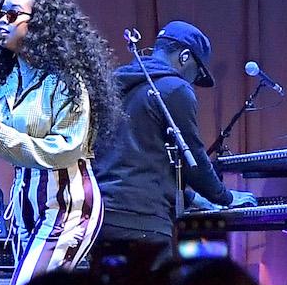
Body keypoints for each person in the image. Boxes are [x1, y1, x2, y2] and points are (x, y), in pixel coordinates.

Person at [0, 0, 119, 285]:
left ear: (40, 25)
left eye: (14, 14)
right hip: (25, 207)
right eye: (1, 14)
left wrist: (2, 136)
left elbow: (66, 149)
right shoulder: (5, 79)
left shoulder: (66, 82)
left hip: (66, 204)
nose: (3, 21)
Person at [92, 20, 253, 247]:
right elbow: (193, 159)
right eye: (196, 74)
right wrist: (224, 197)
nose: (193, 83)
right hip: (143, 221)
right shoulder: (174, 88)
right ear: (185, 56)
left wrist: (193, 198)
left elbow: (139, 156)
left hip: (100, 216)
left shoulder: (114, 84)